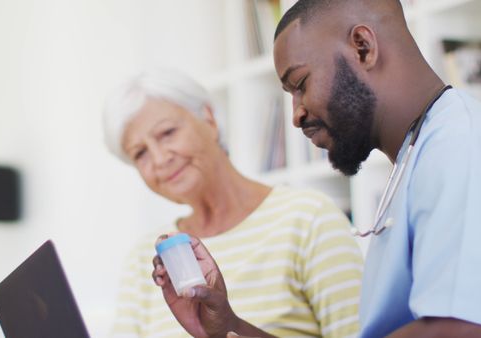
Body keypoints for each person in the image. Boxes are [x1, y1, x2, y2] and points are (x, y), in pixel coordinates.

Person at [151, 0, 481, 337]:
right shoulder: (419, 156)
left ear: (363, 48)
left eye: (301, 84)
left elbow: (461, 329)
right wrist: (227, 327)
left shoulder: (460, 144)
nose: (296, 115)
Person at [103, 69, 363, 338]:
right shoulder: (144, 259)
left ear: (210, 119)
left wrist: (228, 327)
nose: (158, 159)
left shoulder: (309, 218)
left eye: (167, 133)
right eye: (140, 153)